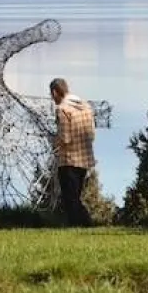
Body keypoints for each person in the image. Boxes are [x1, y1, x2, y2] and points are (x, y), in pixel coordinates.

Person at [50, 77, 96, 227]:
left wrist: (53, 141)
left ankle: (82, 224)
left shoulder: (62, 109)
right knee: (75, 196)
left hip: (69, 159)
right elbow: (92, 134)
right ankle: (83, 225)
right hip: (85, 158)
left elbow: (65, 138)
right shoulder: (86, 107)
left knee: (70, 198)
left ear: (55, 92)